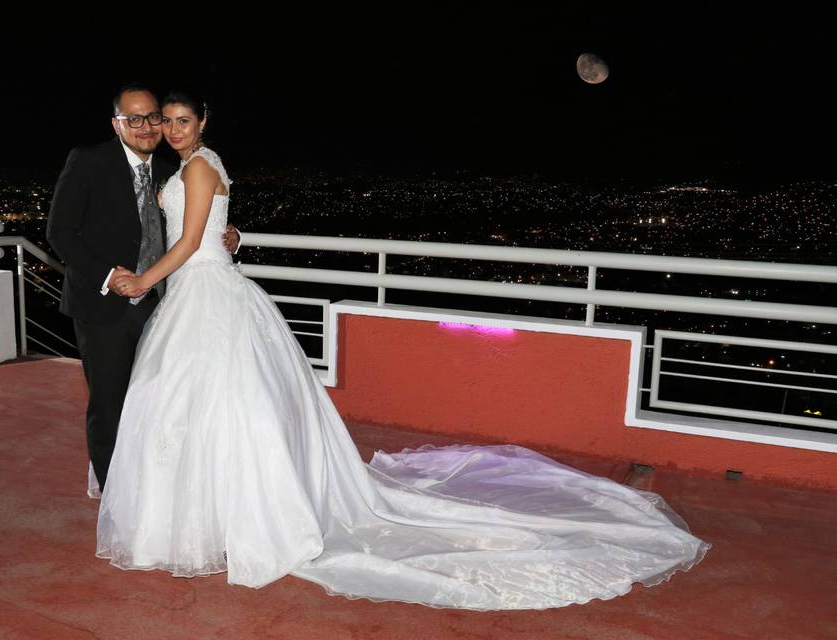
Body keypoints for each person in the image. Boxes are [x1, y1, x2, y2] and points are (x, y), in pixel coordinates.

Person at [96, 91, 709, 610]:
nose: (171, 128)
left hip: (205, 296)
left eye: (180, 119)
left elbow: (195, 238)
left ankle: (237, 519)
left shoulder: (199, 167)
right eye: (164, 120)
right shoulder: (189, 170)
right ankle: (210, 518)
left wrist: (142, 281)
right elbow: (209, 232)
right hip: (197, 293)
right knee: (197, 410)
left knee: (214, 408)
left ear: (202, 123)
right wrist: (231, 238)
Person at [46, 84, 239, 492]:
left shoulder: (173, 170)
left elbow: (195, 223)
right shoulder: (88, 161)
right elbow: (60, 232)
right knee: (110, 403)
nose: (148, 127)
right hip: (103, 308)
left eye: (153, 117)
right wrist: (106, 276)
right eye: (134, 119)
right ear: (116, 124)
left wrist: (229, 234)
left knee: (158, 401)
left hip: (163, 305)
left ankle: (150, 490)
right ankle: (114, 493)